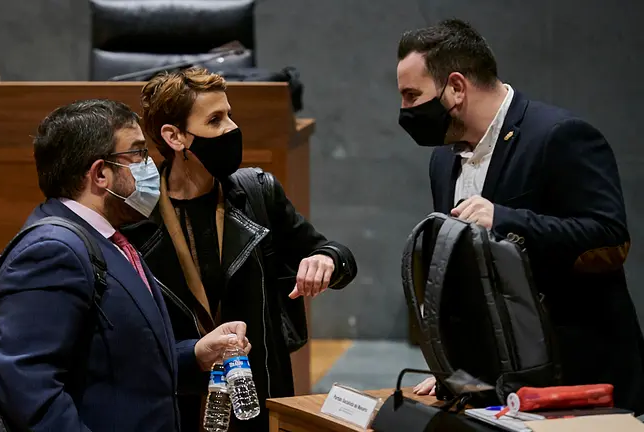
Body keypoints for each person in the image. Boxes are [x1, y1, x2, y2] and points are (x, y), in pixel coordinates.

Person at [395, 19, 644, 414]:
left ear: (456, 87)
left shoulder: (560, 136)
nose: (405, 110)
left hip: (579, 379)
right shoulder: (442, 160)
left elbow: (610, 238)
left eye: (412, 95)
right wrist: (456, 372)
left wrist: (507, 220)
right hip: (499, 385)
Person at [0, 99, 252, 431]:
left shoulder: (108, 238)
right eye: (138, 153)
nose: (150, 164)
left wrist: (195, 354)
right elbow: (26, 385)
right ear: (100, 174)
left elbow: (118, 360)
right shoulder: (51, 251)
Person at [120, 67, 358, 431]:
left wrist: (326, 259)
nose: (231, 128)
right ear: (175, 136)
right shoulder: (135, 220)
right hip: (178, 404)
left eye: (230, 115)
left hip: (257, 397)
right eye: (215, 120)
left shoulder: (257, 192)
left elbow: (339, 257)